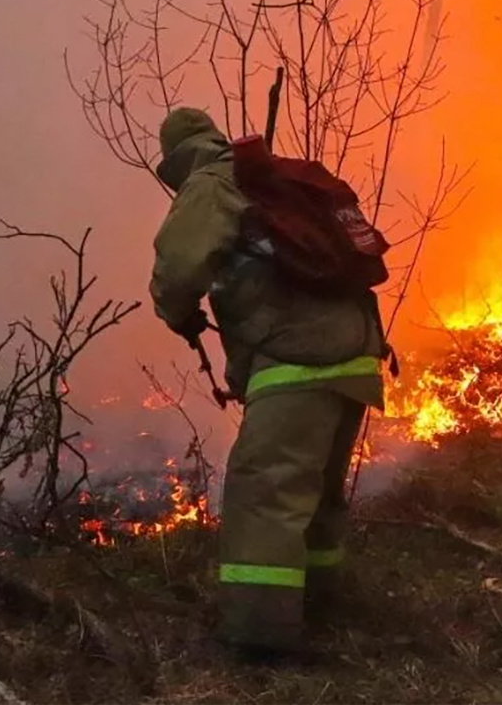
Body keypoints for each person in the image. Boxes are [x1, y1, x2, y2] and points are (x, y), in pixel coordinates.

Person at [149, 107, 387, 657]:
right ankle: (319, 604)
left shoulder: (211, 183)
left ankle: (258, 638)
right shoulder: (276, 176)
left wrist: (175, 310)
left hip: (296, 359)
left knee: (265, 495)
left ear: (178, 160)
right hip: (355, 357)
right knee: (317, 497)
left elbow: (180, 266)